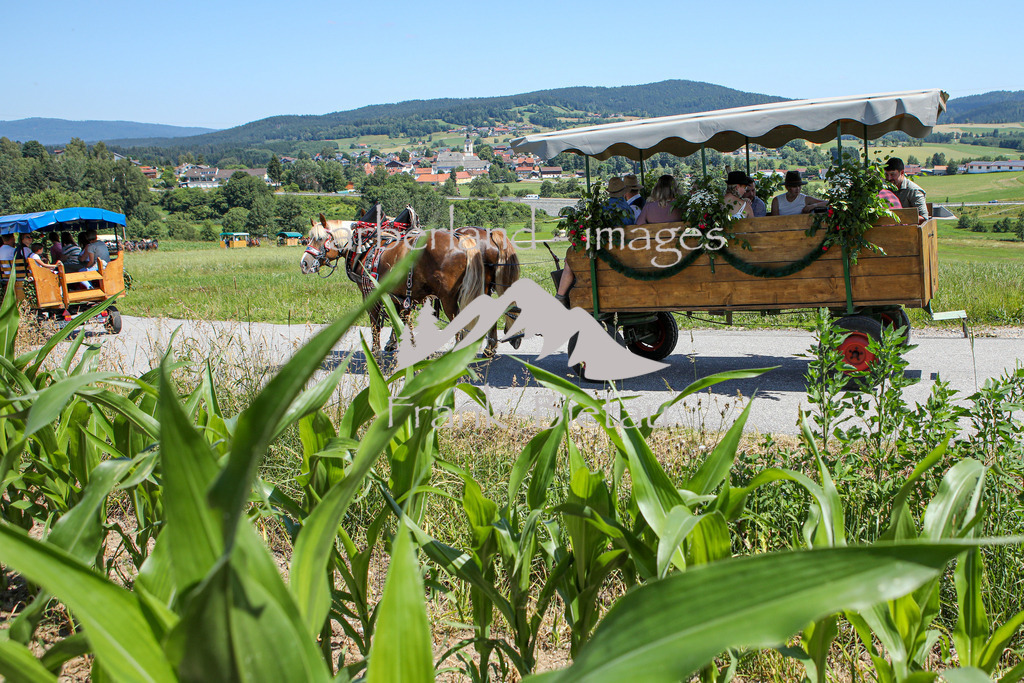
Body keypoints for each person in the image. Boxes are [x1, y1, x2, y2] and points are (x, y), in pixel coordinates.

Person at [555, 177, 634, 306]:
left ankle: (560, 297)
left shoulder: (600, 209)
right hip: (625, 256)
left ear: (609, 192)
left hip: (602, 257)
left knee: (571, 258)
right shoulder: (629, 211)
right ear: (624, 192)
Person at [884, 158, 929, 224]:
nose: (889, 178)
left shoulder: (914, 191)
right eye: (886, 175)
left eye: (892, 174)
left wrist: (900, 220)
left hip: (909, 230)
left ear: (902, 173)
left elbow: (924, 217)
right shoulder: (885, 189)